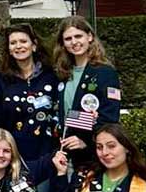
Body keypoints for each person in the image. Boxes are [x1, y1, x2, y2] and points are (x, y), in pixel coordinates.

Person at [0, 24, 60, 192]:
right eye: (13, 43)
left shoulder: (52, 77)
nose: (18, 46)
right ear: (8, 49)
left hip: (44, 155)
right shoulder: (0, 81)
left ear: (34, 45)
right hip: (12, 159)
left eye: (23, 41)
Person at [52, 16, 121, 166]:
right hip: (66, 154)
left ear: (89, 37)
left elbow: (110, 117)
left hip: (93, 156)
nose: (74, 42)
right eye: (68, 38)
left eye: (78, 36)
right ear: (63, 44)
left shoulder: (105, 73)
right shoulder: (63, 74)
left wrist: (87, 142)